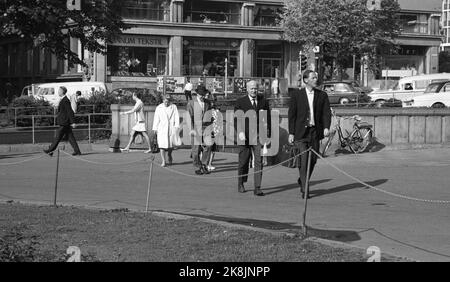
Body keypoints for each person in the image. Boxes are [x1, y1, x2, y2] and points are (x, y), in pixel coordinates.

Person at [288, 70, 331, 199]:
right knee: (304, 159)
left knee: (312, 160)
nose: (315, 79)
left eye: (316, 77)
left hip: (314, 132)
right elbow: (292, 115)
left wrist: (326, 127)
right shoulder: (297, 95)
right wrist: (291, 133)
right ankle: (305, 189)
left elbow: (326, 113)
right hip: (301, 133)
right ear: (306, 80)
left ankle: (302, 180)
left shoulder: (322, 95)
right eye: (313, 78)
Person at [235, 80, 271, 196]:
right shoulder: (241, 102)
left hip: (258, 136)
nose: (254, 90)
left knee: (258, 161)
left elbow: (267, 118)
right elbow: (237, 119)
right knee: (243, 161)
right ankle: (241, 182)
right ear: (247, 89)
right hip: (244, 136)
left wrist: (267, 133)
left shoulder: (263, 101)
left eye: (255, 88)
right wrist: (239, 132)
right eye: (251, 88)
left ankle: (257, 187)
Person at [44, 86, 82, 156]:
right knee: (71, 138)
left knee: (57, 137)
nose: (58, 92)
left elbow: (69, 111)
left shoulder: (65, 100)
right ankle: (77, 151)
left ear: (62, 92)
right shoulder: (63, 99)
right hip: (64, 122)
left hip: (64, 122)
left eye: (59, 90)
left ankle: (50, 150)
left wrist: (73, 122)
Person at [187, 83, 212, 175]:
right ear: (197, 94)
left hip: (206, 128)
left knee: (208, 146)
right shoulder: (191, 103)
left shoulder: (207, 102)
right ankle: (197, 166)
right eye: (200, 94)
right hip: (195, 128)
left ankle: (204, 165)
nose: (202, 96)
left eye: (203, 94)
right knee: (196, 149)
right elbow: (189, 117)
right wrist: (191, 129)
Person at [152, 94, 180, 167]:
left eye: (168, 101)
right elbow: (156, 118)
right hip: (162, 128)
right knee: (161, 145)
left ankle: (169, 155)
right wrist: (155, 128)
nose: (166, 103)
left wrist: (176, 126)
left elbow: (176, 116)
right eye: (165, 101)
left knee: (170, 146)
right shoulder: (159, 108)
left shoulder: (173, 107)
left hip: (171, 128)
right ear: (163, 100)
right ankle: (163, 161)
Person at [205, 92, 221, 171]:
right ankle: (205, 164)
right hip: (207, 131)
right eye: (211, 101)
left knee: (213, 150)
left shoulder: (217, 110)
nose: (212, 102)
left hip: (216, 131)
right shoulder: (206, 109)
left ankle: (210, 164)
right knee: (207, 148)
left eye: (214, 101)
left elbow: (219, 121)